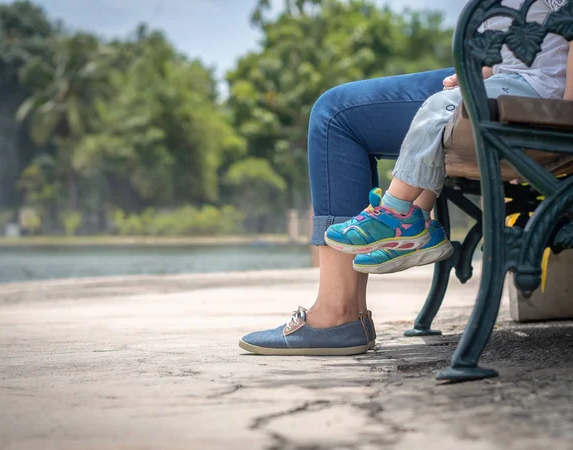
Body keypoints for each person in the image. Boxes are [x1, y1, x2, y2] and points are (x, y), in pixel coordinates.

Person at [239, 0, 572, 356]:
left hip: (541, 92)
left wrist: (562, 120)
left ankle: (384, 239)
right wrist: (480, 72)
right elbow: (512, 41)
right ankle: (412, 221)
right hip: (510, 78)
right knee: (355, 111)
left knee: (340, 117)